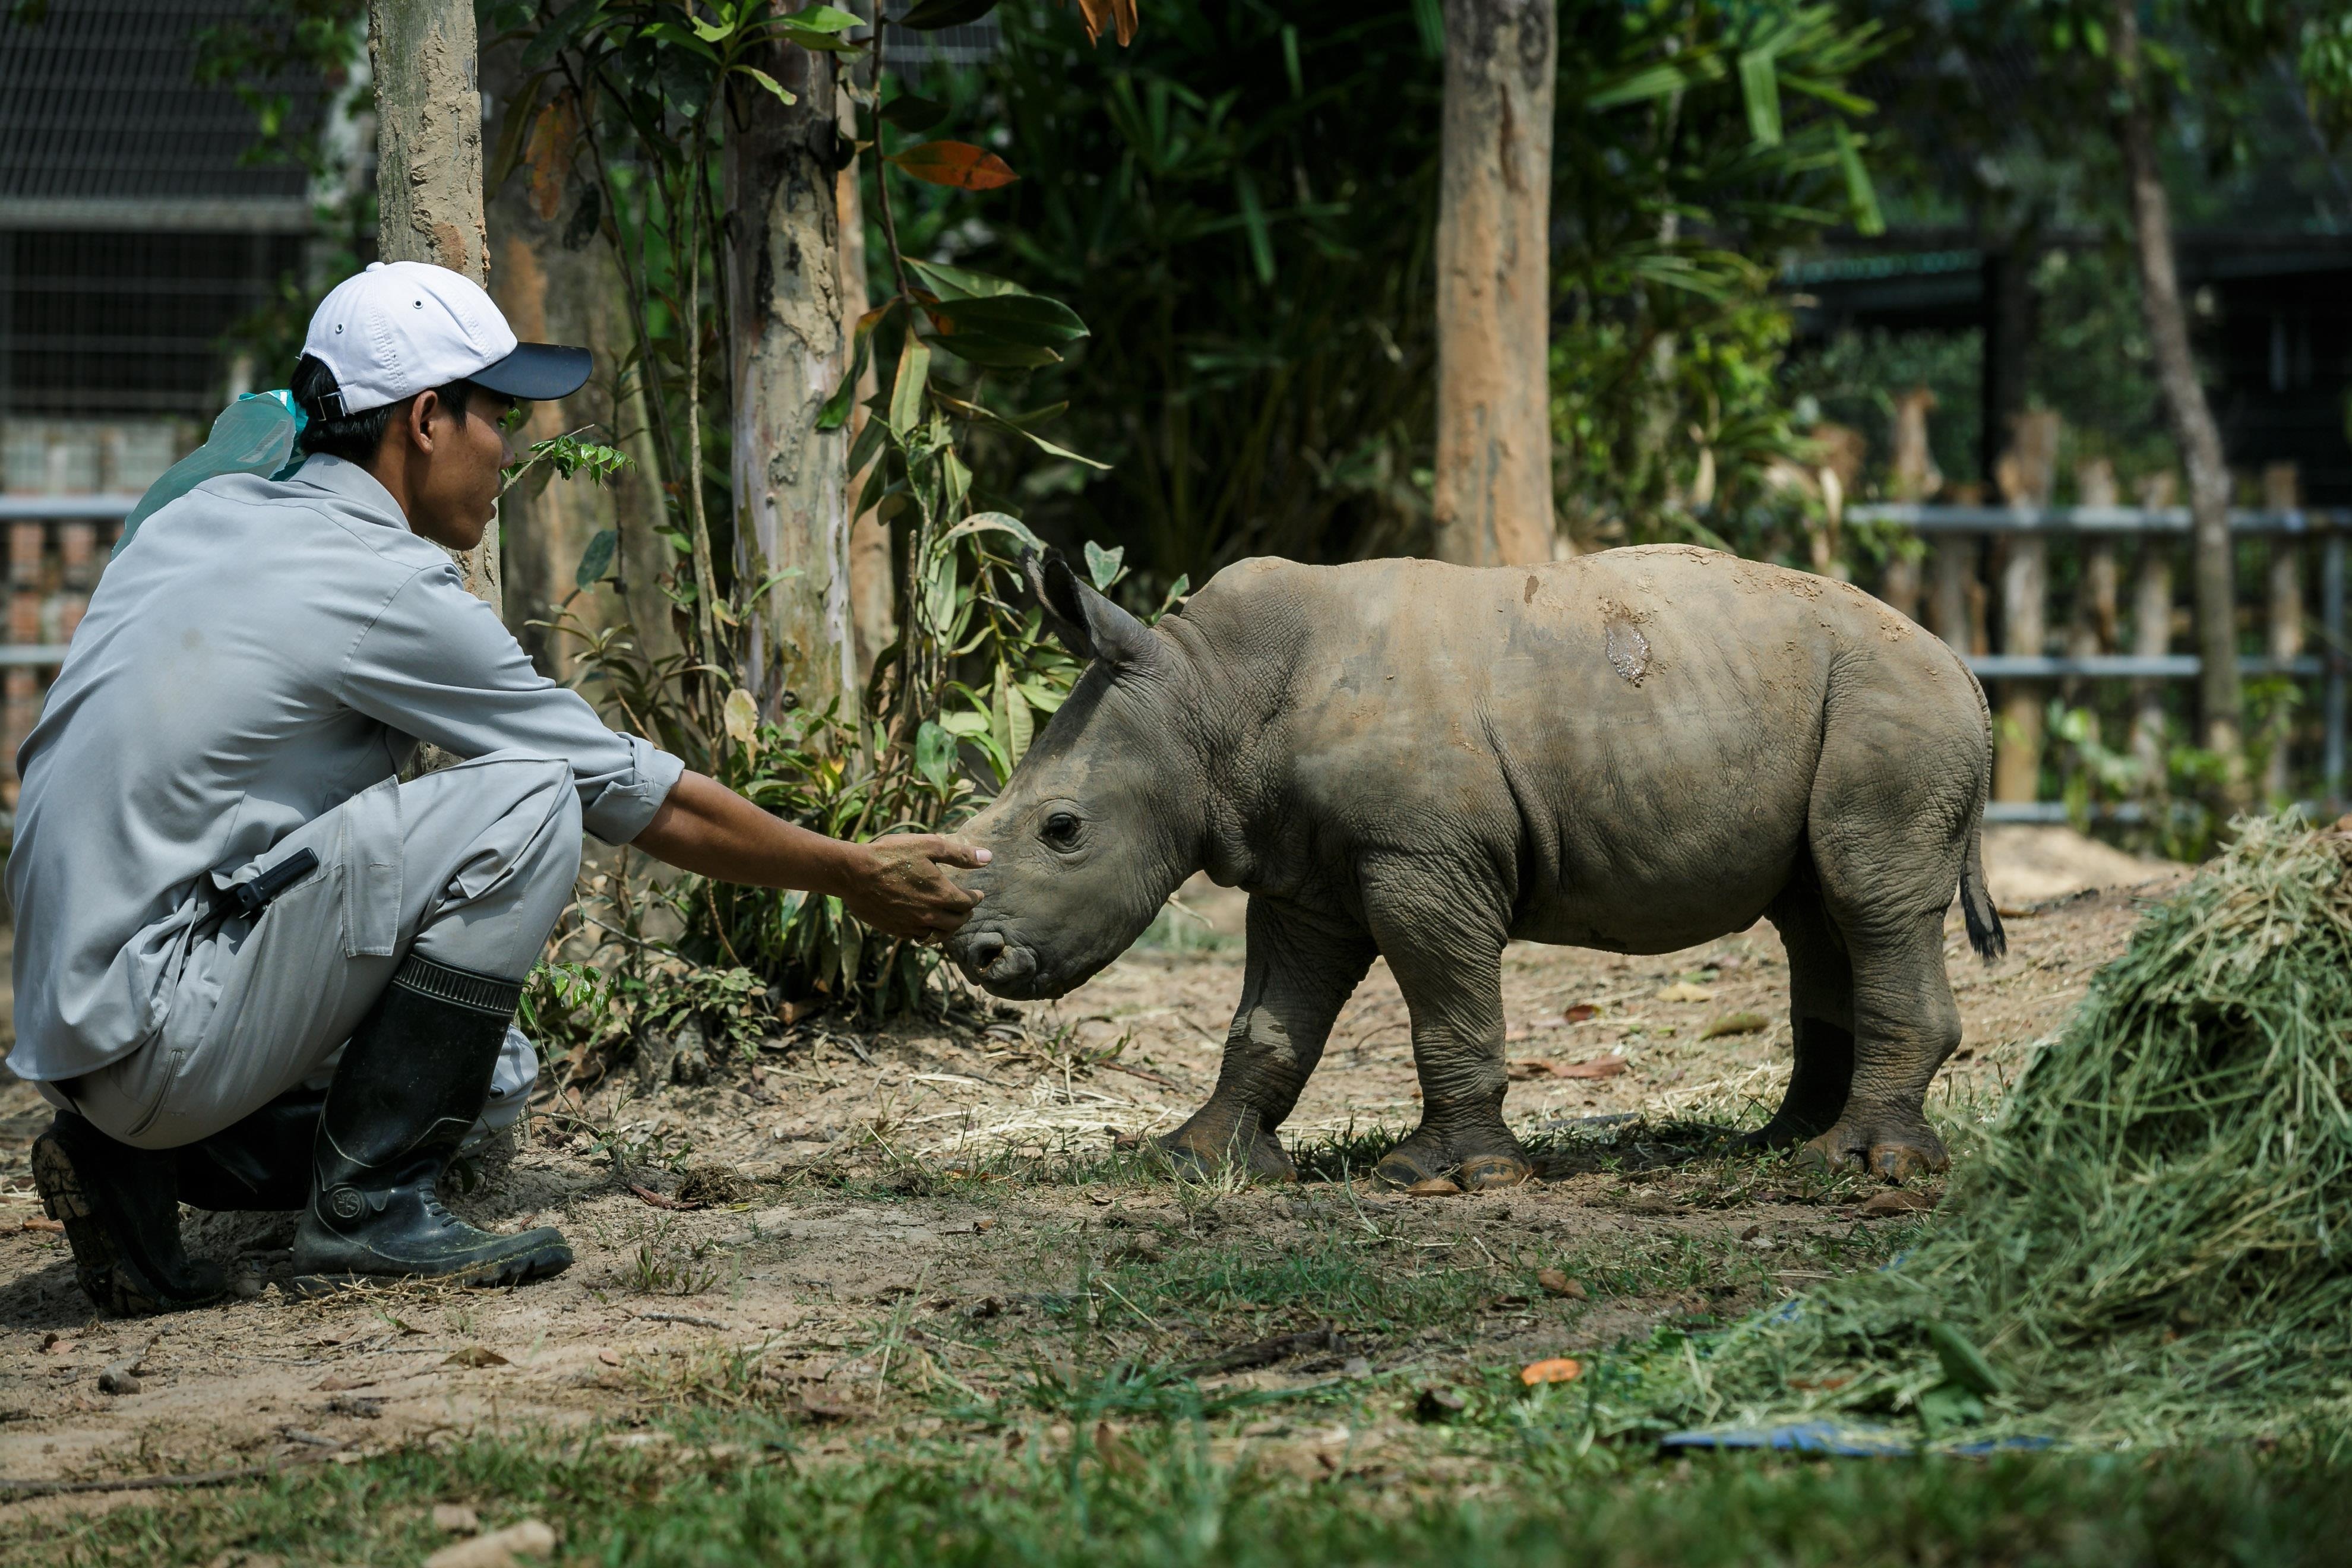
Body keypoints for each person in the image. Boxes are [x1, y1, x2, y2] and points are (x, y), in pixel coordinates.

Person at [10, 261, 988, 1316]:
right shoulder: (377, 579)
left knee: (496, 1079)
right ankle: (369, 1210)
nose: (509, 452)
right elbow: (636, 793)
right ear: (427, 419)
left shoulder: (202, 514)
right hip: (167, 1025)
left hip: (84, 1033)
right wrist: (847, 872)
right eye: (499, 417)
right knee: (530, 799)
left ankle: (132, 1167)